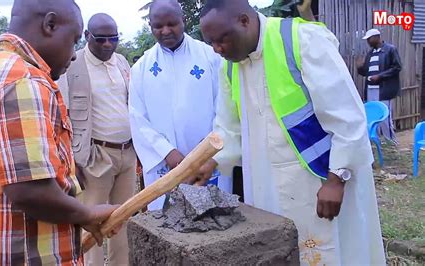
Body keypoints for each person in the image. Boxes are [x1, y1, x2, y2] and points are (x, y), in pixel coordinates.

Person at [198, 0, 386, 265]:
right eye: (211, 43)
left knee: (335, 251)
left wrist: (337, 179)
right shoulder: (228, 65)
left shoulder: (301, 39)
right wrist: (212, 161)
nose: (217, 49)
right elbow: (229, 127)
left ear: (244, 21)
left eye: (222, 39)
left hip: (320, 181)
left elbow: (348, 116)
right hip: (265, 186)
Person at [0, 0, 120, 265]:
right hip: (20, 254)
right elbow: (31, 190)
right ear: (50, 25)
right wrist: (86, 214)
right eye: (74, 39)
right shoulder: (21, 81)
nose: (75, 53)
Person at [129, 0, 226, 210]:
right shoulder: (141, 69)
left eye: (172, 23)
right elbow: (138, 118)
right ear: (150, 27)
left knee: (212, 229)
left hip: (207, 161)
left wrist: (205, 153)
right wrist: (168, 153)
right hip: (165, 166)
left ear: (183, 20)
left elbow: (225, 107)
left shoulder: (211, 57)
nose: (165, 31)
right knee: (168, 230)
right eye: (158, 26)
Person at [58, 13, 136, 266]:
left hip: (127, 153)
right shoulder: (73, 64)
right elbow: (62, 116)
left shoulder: (122, 62)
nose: (107, 45)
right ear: (87, 37)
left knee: (122, 219)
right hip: (94, 157)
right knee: (91, 222)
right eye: (100, 39)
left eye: (113, 39)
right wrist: (73, 161)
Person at [357, 29, 402, 144]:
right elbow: (366, 73)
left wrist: (380, 76)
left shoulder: (390, 50)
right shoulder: (370, 53)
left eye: (369, 39)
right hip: (370, 89)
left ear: (377, 37)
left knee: (385, 117)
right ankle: (376, 142)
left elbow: (397, 67)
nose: (367, 41)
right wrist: (359, 68)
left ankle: (391, 143)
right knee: (373, 116)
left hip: (384, 90)